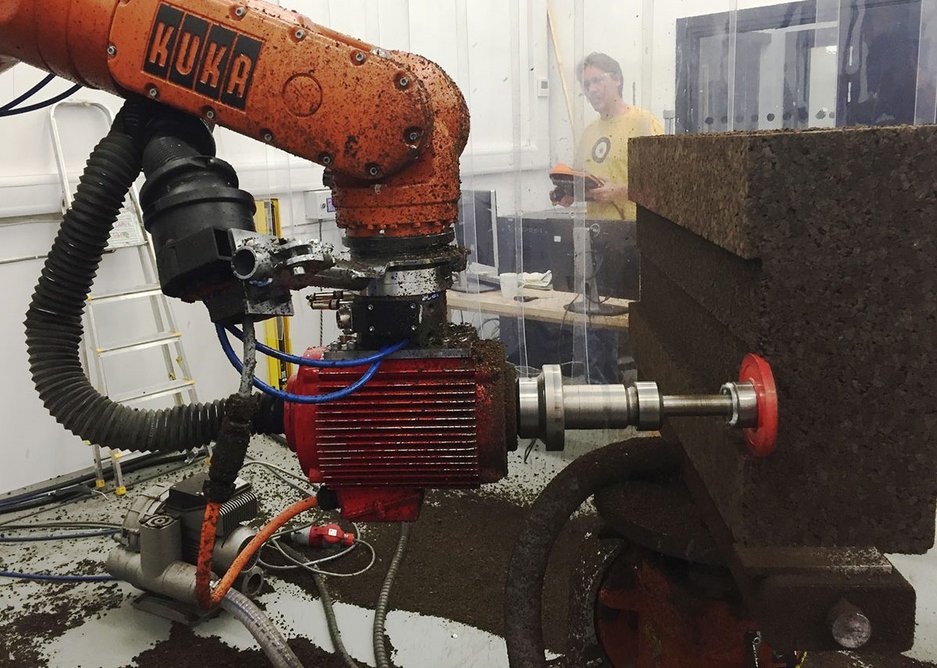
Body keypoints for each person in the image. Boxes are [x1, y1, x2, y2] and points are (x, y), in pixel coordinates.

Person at [552, 52, 663, 220]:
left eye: (597, 80)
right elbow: (582, 180)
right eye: (586, 84)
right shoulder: (589, 132)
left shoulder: (643, 122)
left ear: (617, 79)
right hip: (597, 233)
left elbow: (661, 184)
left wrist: (618, 191)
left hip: (635, 232)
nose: (591, 89)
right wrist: (569, 194)